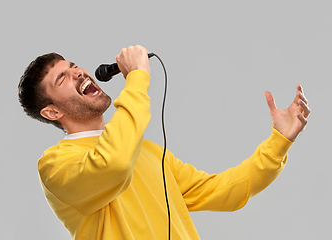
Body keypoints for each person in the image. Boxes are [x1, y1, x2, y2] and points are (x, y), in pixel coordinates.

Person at [18, 45, 310, 240]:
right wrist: (137, 78)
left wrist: (280, 140)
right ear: (52, 112)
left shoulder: (145, 150)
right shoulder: (56, 165)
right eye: (62, 79)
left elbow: (223, 191)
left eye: (73, 66)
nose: (78, 72)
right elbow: (113, 165)